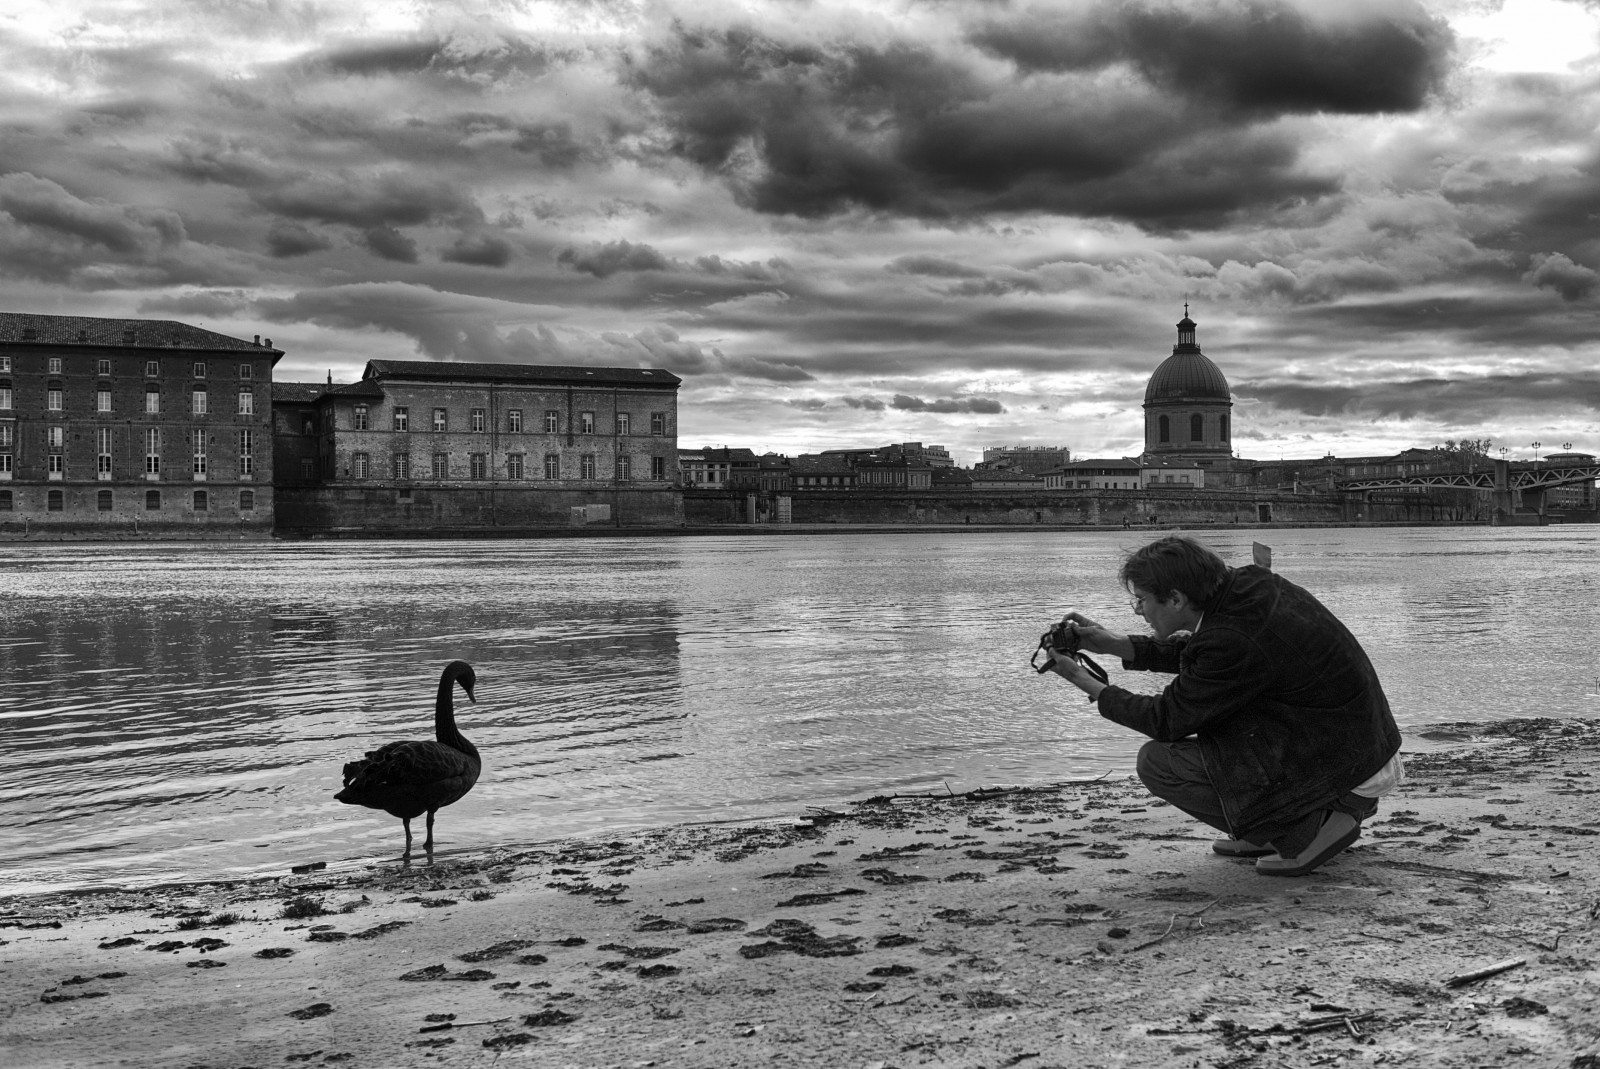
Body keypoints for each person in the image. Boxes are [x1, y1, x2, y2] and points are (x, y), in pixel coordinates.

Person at [1043, 535, 1403, 877]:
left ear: (1175, 599)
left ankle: (1306, 828)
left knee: (1159, 763)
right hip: (1365, 750)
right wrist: (1115, 644)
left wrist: (1082, 680)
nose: (1139, 611)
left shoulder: (1231, 637)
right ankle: (1268, 823)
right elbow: (1213, 661)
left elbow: (1166, 719)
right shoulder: (1250, 587)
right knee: (1221, 721)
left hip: (1346, 771)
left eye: (1141, 600)